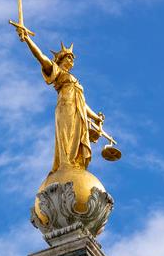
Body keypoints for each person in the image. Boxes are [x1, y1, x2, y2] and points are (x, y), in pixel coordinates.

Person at [16, 26, 105, 172]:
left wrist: (96, 118)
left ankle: (74, 163)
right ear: (61, 59)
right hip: (66, 107)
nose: (72, 60)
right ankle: (66, 164)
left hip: (78, 110)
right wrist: (27, 39)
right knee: (67, 136)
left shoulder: (75, 80)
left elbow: (83, 104)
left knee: (76, 137)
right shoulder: (58, 72)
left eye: (72, 58)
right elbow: (41, 57)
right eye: (69, 57)